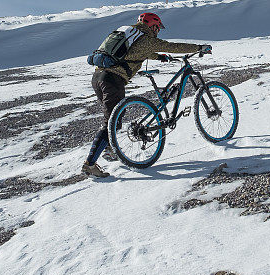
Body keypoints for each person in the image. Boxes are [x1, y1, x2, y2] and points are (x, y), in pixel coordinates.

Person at [82, 12, 209, 177]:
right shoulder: (147, 39)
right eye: (158, 28)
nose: (158, 31)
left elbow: (140, 53)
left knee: (114, 119)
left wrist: (161, 58)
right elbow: (173, 47)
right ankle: (90, 164)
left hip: (98, 78)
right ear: (153, 25)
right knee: (111, 123)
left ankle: (109, 150)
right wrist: (199, 48)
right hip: (113, 80)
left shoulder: (130, 34)